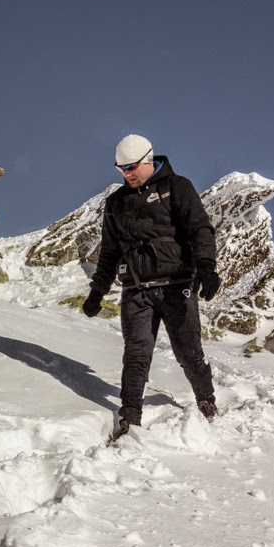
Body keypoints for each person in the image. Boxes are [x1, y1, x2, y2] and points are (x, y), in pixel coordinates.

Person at [82, 134, 221, 440]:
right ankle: (130, 418)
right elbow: (109, 252)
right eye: (121, 169)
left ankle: (206, 398)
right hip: (136, 288)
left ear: (148, 160)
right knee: (136, 354)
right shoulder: (116, 202)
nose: (126, 173)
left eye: (131, 167)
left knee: (187, 352)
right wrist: (97, 292)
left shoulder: (176, 187)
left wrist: (207, 267)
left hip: (177, 284)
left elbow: (200, 229)